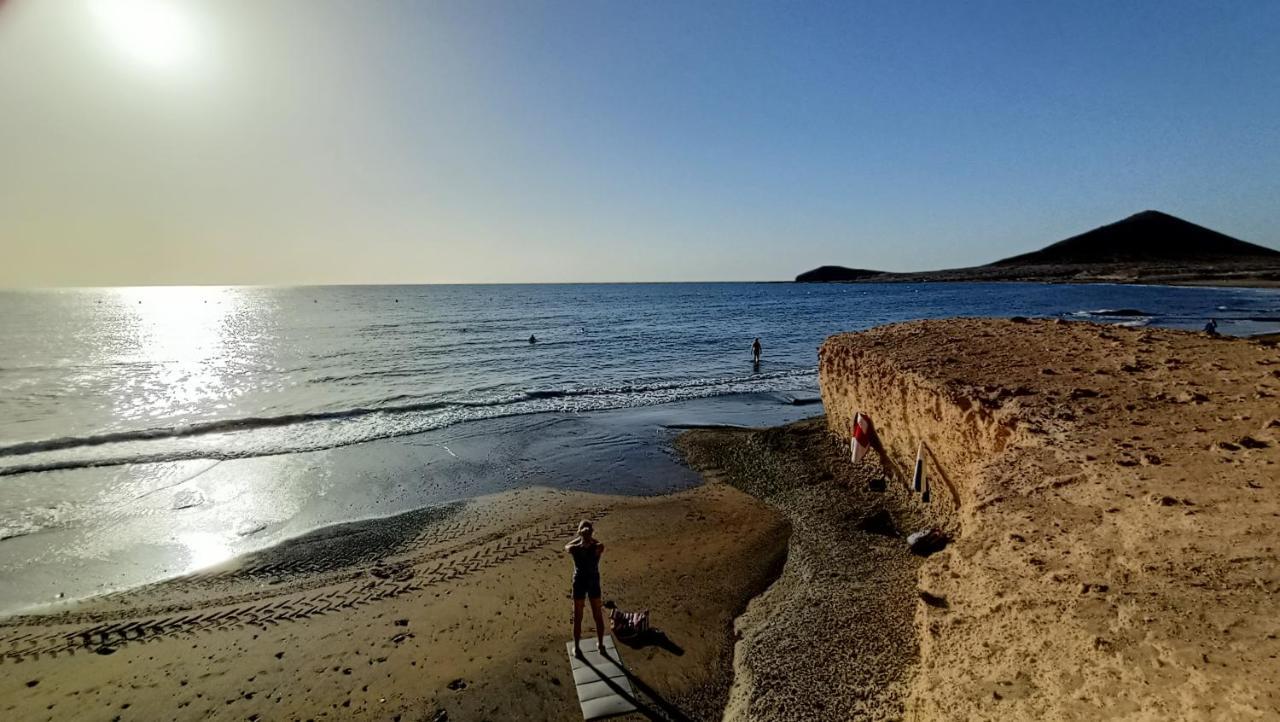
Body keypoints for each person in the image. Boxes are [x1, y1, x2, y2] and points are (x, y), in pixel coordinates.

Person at [565, 520, 606, 658]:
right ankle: (600, 645)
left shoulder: (575, 548)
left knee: (578, 616)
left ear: (580, 532)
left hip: (579, 582)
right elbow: (598, 544)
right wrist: (589, 537)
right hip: (593, 581)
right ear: (591, 532)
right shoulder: (598, 547)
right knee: (597, 615)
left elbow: (567, 547)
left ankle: (577, 648)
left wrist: (580, 537)